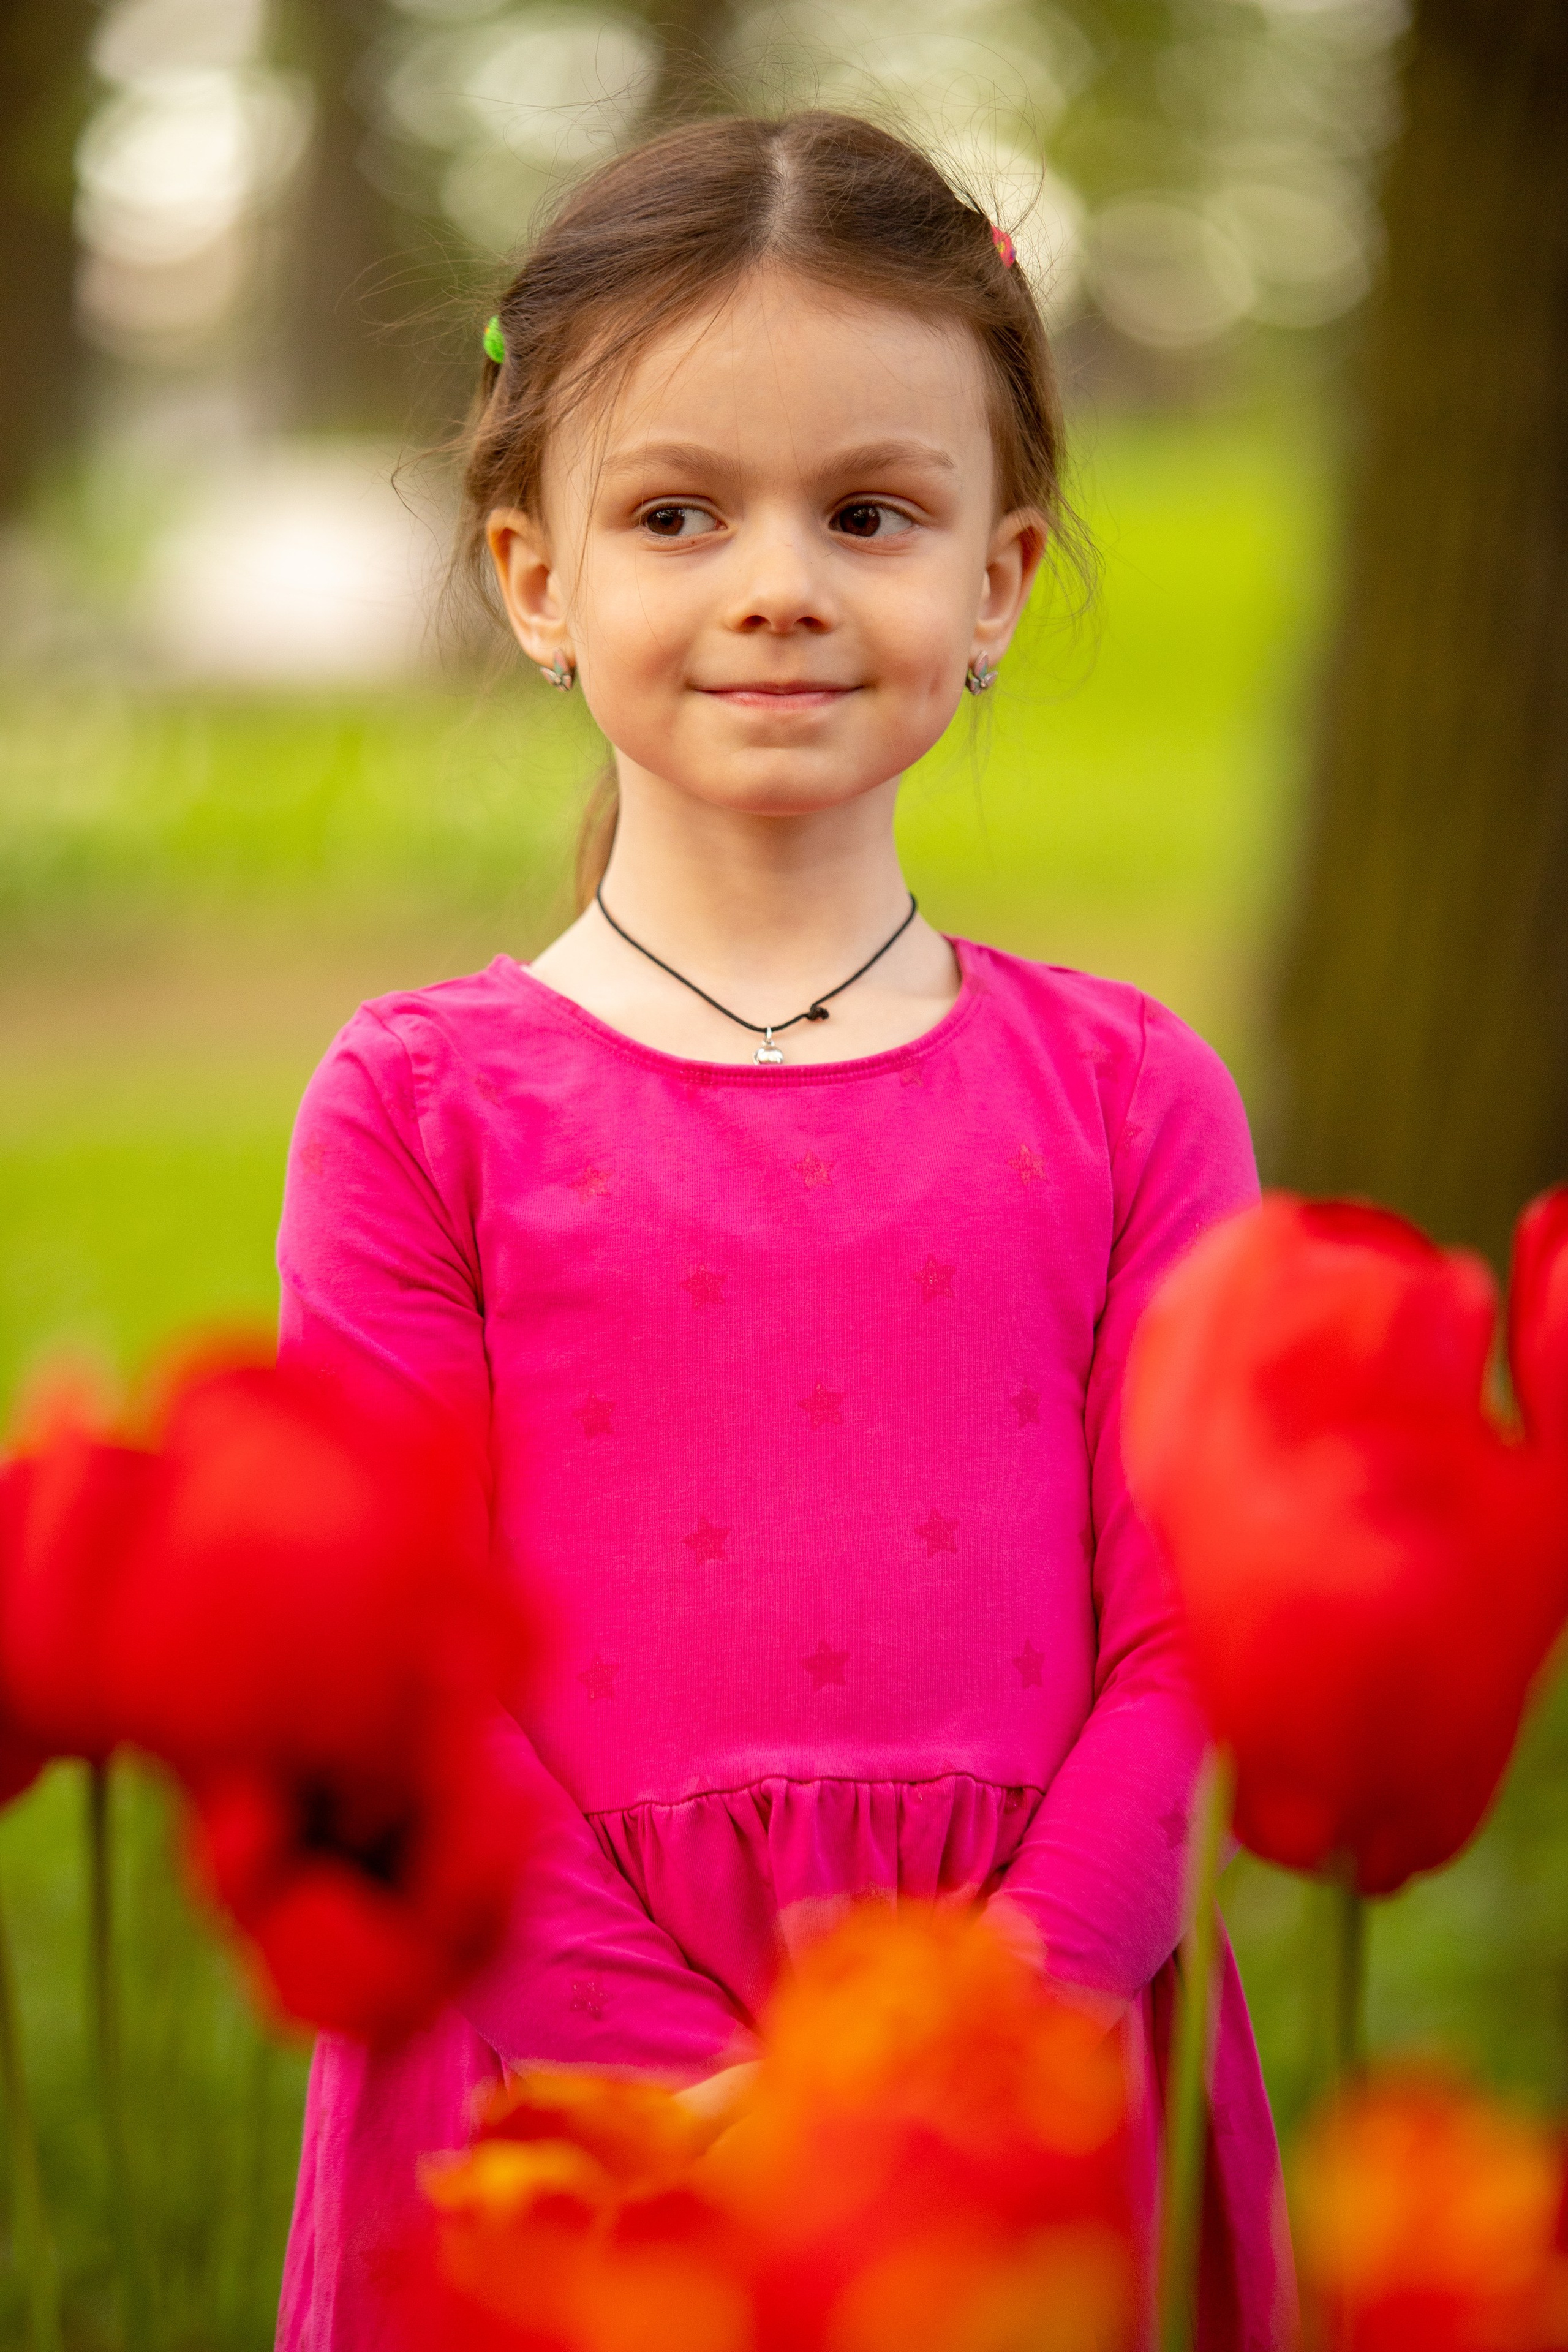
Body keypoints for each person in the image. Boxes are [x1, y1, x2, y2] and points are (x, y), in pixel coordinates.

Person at [275, 110, 1292, 2350]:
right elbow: (401, 1660)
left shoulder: (1129, 1103)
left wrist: (940, 2062)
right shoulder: (418, 1109)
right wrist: (670, 2083)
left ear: (998, 577)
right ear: (537, 578)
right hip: (560, 2092)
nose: (778, 582)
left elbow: (1191, 1643)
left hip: (1018, 2079)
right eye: (674, 512)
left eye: (870, 512)